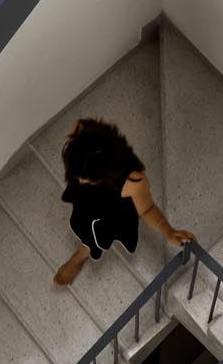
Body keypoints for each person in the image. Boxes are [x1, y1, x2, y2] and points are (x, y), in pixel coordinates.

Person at [52, 115, 194, 286]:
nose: (81, 181)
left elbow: (147, 209)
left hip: (111, 210)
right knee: (82, 218)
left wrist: (168, 231)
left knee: (96, 236)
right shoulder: (80, 128)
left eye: (87, 179)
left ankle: (79, 256)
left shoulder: (133, 180)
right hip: (87, 200)